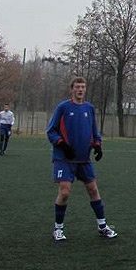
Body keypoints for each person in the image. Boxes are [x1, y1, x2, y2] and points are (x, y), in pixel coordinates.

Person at [46, 77, 116, 241]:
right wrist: (62, 144)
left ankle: (102, 226)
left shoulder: (89, 108)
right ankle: (58, 229)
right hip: (64, 158)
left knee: (93, 190)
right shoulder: (63, 107)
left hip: (83, 159)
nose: (80, 90)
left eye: (83, 87)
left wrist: (97, 145)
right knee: (64, 192)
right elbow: (51, 131)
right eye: (77, 87)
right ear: (72, 89)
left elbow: (94, 131)